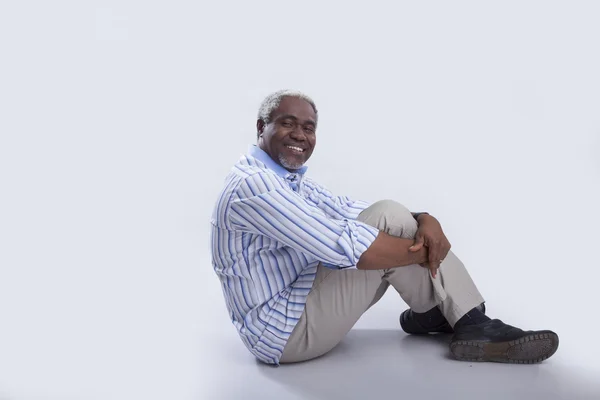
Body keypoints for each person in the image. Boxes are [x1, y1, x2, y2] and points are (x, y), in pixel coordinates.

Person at [210, 89, 559, 365]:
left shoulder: (286, 178)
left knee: (391, 216)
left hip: (298, 305)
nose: (299, 135)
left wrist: (424, 218)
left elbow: (349, 210)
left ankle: (437, 314)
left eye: (309, 127)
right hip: (283, 335)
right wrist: (425, 247)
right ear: (261, 128)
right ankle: (463, 319)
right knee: (385, 225)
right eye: (287, 123)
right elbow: (346, 248)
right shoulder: (253, 186)